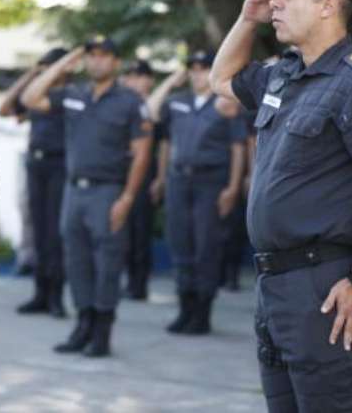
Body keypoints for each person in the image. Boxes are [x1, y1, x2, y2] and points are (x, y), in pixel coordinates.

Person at [209, 0, 352, 412]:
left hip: (322, 286)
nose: (275, 3)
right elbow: (221, 79)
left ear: (327, 5)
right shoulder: (283, 74)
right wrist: (247, 20)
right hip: (275, 283)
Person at [21, 36, 152, 357]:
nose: (96, 62)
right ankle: (82, 325)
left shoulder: (130, 101)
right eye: (90, 56)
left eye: (103, 56)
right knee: (76, 261)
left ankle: (102, 331)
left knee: (107, 263)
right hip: (73, 190)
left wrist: (127, 198)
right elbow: (30, 98)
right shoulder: (73, 94)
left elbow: (142, 153)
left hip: (109, 190)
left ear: (115, 62)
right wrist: (64, 63)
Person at [148, 50, 247, 334]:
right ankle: (185, 309)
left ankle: (202, 313)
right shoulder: (178, 102)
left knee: (206, 247)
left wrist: (232, 186)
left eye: (204, 67)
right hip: (179, 180)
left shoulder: (225, 104)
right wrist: (170, 81)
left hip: (211, 182)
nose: (197, 72)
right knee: (180, 244)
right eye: (193, 67)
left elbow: (237, 147)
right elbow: (153, 115)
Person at [0, 47, 69, 318]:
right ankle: (40, 294)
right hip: (35, 165)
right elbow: (5, 109)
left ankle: (55, 296)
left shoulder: (68, 96)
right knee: (37, 231)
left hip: (59, 164)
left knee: (54, 233)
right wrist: (30, 73)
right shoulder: (33, 95)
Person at [120, 59, 158, 300]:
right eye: (130, 75)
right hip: (122, 171)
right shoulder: (125, 104)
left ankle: (139, 283)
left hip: (146, 172)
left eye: (139, 75)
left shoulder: (151, 105)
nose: (133, 80)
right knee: (126, 232)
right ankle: (129, 279)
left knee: (141, 230)